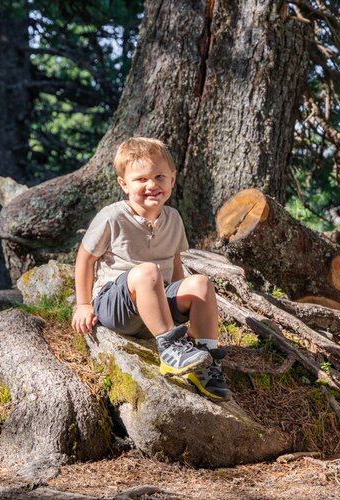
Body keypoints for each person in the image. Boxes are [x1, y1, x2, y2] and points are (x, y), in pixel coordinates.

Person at [70, 137, 232, 401]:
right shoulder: (112, 216)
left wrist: (184, 308)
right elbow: (85, 259)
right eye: (141, 179)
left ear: (172, 178)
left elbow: (176, 265)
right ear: (124, 184)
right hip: (118, 307)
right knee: (148, 272)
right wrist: (84, 304)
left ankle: (205, 360)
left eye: (159, 177)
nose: (152, 185)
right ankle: (170, 350)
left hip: (157, 310)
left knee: (200, 283)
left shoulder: (173, 219)